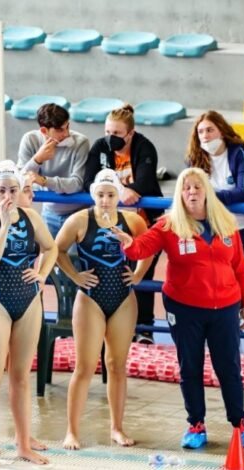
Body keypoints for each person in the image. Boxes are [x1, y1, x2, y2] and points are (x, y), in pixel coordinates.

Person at [112, 167, 244, 449]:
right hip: (185, 308)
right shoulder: (168, 225)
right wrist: (129, 246)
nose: (191, 192)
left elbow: (240, 268)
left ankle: (240, 423)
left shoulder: (227, 224)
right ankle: (196, 424)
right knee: (190, 366)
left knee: (229, 367)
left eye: (197, 187)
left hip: (225, 307)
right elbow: (142, 248)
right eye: (186, 187)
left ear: (207, 191)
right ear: (180, 193)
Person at [0, 160, 57, 468]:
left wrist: (43, 273)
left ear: (20, 191)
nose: (7, 195)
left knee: (21, 377)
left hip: (28, 300)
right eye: (2, 190)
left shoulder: (32, 217)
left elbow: (51, 247)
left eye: (13, 190)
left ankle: (23, 445)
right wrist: (4, 225)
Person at [56, 169, 151, 450]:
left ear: (118, 196)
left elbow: (148, 249)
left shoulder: (132, 220)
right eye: (101, 195)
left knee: (116, 366)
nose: (106, 200)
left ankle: (117, 429)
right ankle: (72, 431)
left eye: (111, 195)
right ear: (93, 195)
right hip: (89, 299)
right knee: (84, 367)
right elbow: (56, 249)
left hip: (123, 298)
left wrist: (138, 275)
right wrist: (75, 276)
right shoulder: (79, 220)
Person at [83, 104, 163, 343]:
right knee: (117, 273)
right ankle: (115, 326)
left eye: (117, 134)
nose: (111, 138)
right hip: (110, 222)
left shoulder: (144, 147)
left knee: (142, 272)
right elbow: (89, 180)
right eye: (108, 132)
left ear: (130, 133)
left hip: (143, 221)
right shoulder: (100, 147)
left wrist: (132, 189)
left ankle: (145, 328)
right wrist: (120, 191)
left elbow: (146, 182)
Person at [186, 110, 244, 271]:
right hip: (209, 227)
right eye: (201, 131)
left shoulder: (240, 151)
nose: (205, 135)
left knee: (240, 277)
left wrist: (209, 197)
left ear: (221, 130)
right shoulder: (194, 157)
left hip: (241, 226)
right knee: (213, 277)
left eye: (210, 130)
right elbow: (189, 193)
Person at [17, 103, 90, 237]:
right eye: (60, 130)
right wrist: (37, 159)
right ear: (44, 131)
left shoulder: (81, 142)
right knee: (49, 256)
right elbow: (19, 181)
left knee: (77, 258)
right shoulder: (30, 140)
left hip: (79, 213)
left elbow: (77, 184)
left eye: (67, 126)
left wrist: (44, 181)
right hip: (49, 213)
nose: (66, 133)